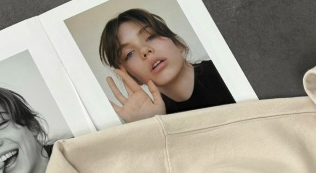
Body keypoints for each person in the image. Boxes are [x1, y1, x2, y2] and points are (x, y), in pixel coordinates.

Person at [99, 8, 235, 123]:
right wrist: (153, 129)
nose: (144, 50)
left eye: (150, 37)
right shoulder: (158, 119)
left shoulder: (229, 68)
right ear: (132, 76)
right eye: (129, 54)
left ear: (177, 44)